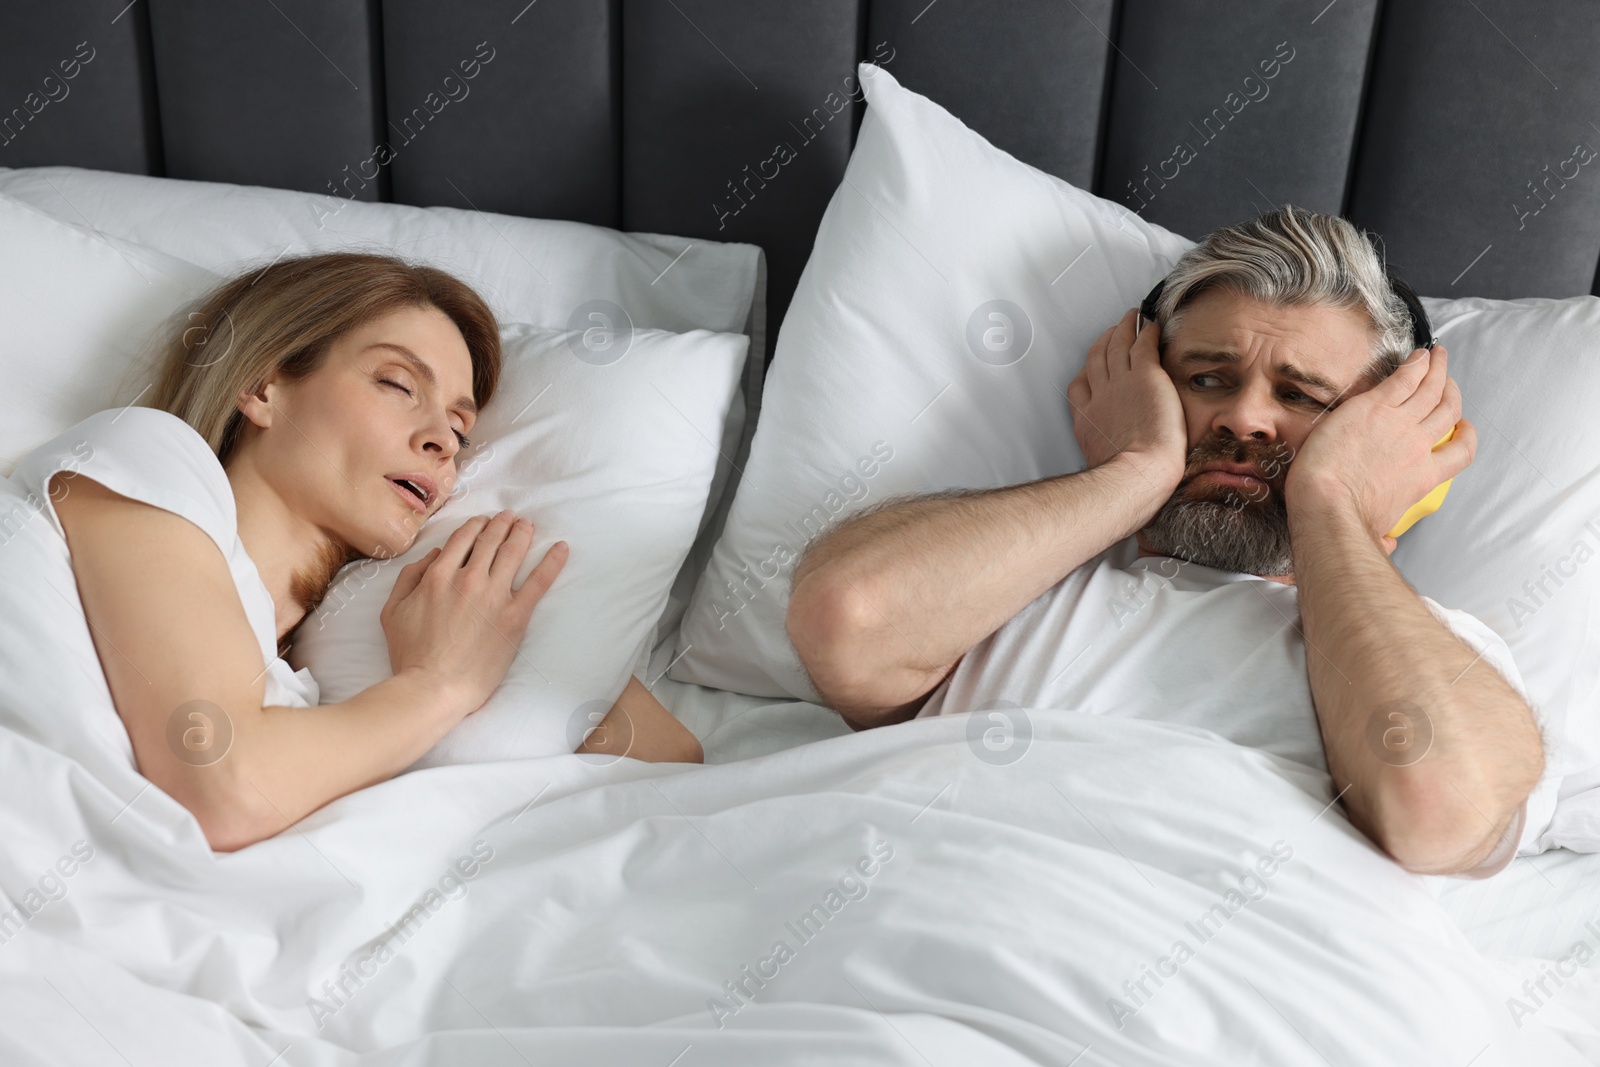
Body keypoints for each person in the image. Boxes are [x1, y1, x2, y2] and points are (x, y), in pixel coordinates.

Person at [786, 205, 1551, 878]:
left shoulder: (1447, 651)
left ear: (1392, 435)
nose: (1245, 418)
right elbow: (845, 613)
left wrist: (1330, 501)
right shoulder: (1002, 597)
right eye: (1208, 380)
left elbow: (1439, 805)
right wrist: (1135, 470)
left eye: (1301, 395)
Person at [23, 251, 701, 853]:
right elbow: (225, 786)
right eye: (398, 385)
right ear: (263, 387)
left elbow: (672, 766)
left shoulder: (309, 678)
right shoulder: (143, 457)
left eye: (461, 429)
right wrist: (439, 686)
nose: (442, 439)